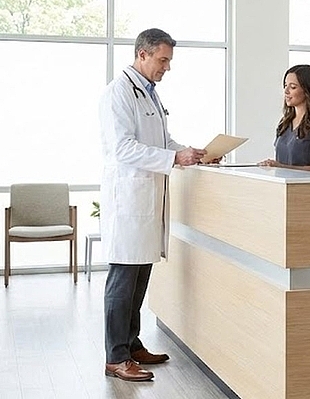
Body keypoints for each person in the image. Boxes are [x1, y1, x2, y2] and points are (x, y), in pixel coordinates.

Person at [98, 28, 207, 382]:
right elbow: (123, 148)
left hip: (146, 201)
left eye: (169, 61)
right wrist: (173, 157)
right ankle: (115, 357)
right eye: (163, 60)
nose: (167, 68)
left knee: (139, 277)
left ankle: (131, 344)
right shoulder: (119, 93)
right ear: (142, 54)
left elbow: (160, 140)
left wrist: (188, 153)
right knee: (123, 279)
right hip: (129, 200)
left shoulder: (149, 94)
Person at [259, 64, 310, 172]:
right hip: (282, 186)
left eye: (293, 87)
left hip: (305, 187)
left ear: (307, 90)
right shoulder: (284, 123)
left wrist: (281, 167)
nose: (286, 91)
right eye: (285, 85)